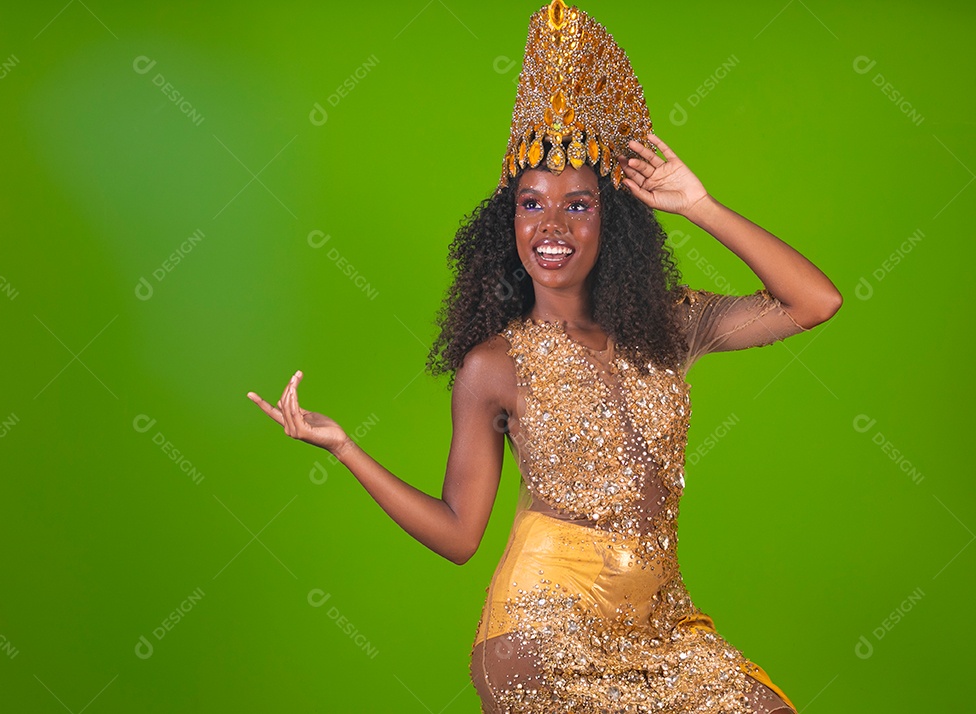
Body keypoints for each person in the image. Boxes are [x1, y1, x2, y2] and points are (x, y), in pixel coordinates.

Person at [247, 1, 841, 711]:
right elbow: (460, 533)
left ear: (612, 221)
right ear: (509, 223)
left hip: (663, 625)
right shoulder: (493, 365)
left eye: (578, 205)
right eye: (531, 204)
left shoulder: (669, 324)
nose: (551, 226)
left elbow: (814, 303)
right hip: (540, 636)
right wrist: (345, 448)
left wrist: (702, 206)